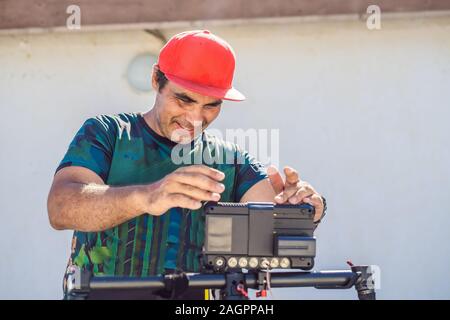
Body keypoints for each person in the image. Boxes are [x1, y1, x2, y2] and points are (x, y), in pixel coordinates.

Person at [47, 30, 326, 299]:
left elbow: (276, 231)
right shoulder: (108, 133)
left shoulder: (231, 160)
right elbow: (61, 207)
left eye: (211, 105)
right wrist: (147, 196)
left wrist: (304, 208)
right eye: (184, 99)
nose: (195, 117)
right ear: (156, 79)